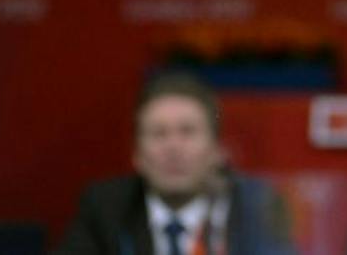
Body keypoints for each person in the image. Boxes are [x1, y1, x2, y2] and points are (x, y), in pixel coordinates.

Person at [56, 74, 294, 254]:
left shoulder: (257, 204)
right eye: (159, 133)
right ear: (136, 154)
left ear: (216, 151)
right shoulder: (105, 206)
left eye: (188, 132)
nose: (173, 148)